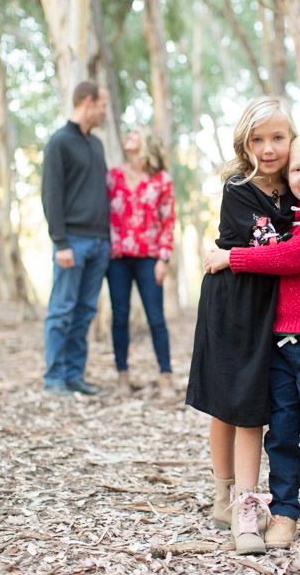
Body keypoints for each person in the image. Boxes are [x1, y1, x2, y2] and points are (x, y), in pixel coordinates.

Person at [186, 96, 300, 555]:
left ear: (292, 140)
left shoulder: (297, 180)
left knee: (267, 410)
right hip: (237, 300)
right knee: (232, 403)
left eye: (278, 138)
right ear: (244, 142)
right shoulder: (240, 187)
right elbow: (285, 246)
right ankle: (228, 497)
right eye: (258, 139)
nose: (268, 149)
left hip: (277, 309)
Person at [42, 81, 110, 397]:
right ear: (87, 101)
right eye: (102, 105)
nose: (104, 111)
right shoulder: (59, 142)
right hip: (73, 241)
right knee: (61, 310)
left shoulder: (96, 145)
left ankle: (73, 376)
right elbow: (51, 195)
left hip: (99, 242)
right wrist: (60, 242)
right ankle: (54, 379)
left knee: (84, 312)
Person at [106, 126, 175, 401]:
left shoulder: (161, 180)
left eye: (135, 134)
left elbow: (168, 220)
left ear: (147, 142)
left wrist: (164, 257)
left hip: (149, 258)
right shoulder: (112, 176)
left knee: (156, 318)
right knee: (119, 317)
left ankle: (165, 377)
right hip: (117, 258)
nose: (128, 137)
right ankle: (122, 377)